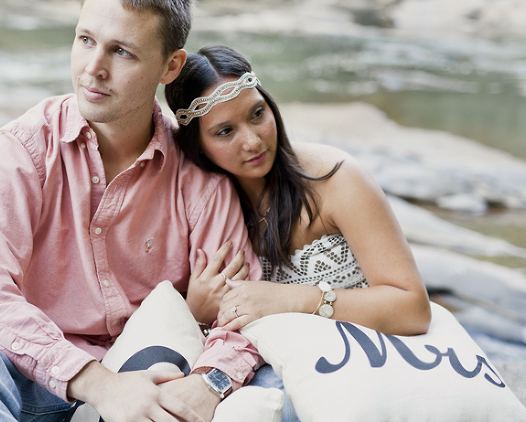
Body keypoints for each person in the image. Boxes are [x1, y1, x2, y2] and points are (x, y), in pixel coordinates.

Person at [0, 0, 264, 422]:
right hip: (38, 376)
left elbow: (243, 311)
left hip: (153, 374)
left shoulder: (198, 174)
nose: (93, 69)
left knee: (272, 385)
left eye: (122, 52)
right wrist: (99, 384)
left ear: (170, 66)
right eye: (85, 40)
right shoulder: (23, 150)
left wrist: (208, 384)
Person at [166, 44, 433, 419]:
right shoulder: (207, 208)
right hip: (270, 366)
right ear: (198, 145)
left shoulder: (336, 179)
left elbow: (413, 308)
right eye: (225, 131)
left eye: (257, 114)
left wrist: (293, 298)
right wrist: (196, 312)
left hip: (362, 361)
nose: (253, 141)